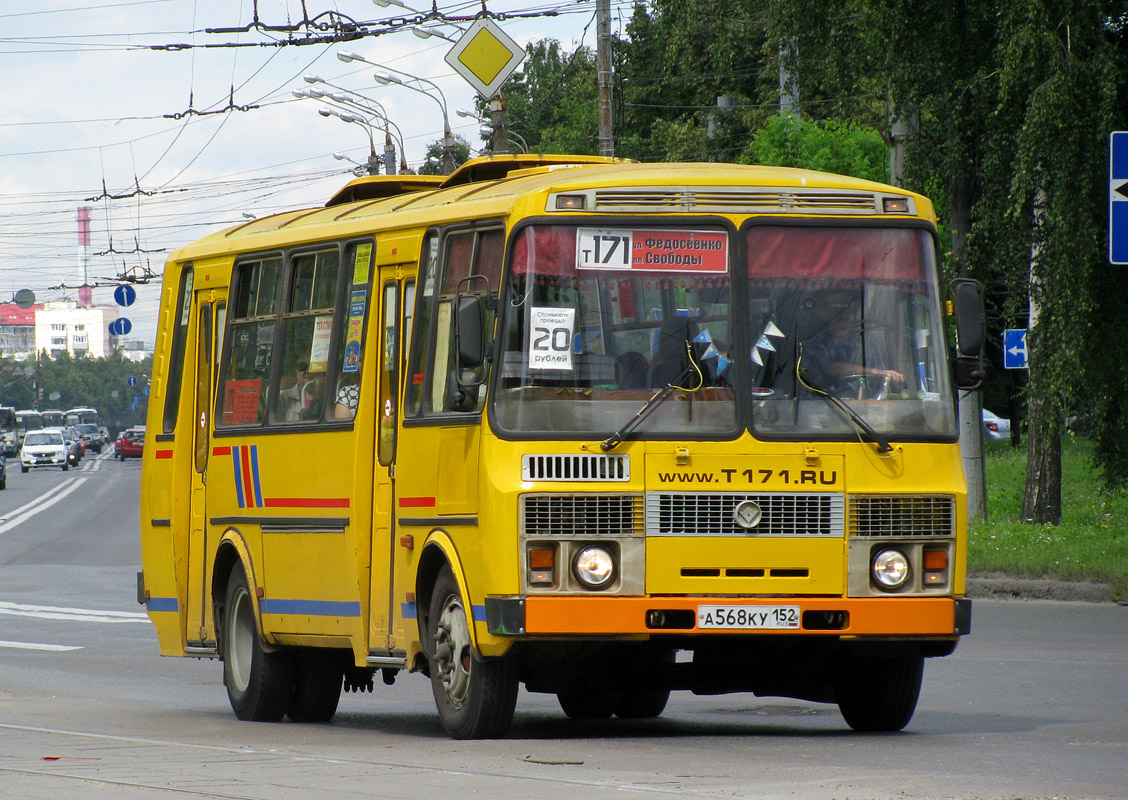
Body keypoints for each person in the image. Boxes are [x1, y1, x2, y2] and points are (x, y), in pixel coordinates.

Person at [800, 289, 903, 394]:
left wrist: (894, 381)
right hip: (822, 407)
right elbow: (833, 368)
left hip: (864, 408)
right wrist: (874, 372)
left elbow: (881, 383)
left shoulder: (868, 347)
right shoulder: (813, 346)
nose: (845, 312)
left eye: (850, 306)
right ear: (824, 313)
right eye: (837, 307)